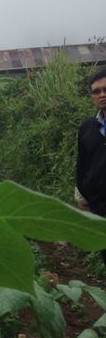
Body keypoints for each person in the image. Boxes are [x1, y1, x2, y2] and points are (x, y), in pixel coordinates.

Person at [75, 68, 106, 264]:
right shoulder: (88, 128)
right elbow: (82, 164)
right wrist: (81, 198)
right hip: (100, 207)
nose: (102, 94)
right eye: (96, 91)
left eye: (105, 89)